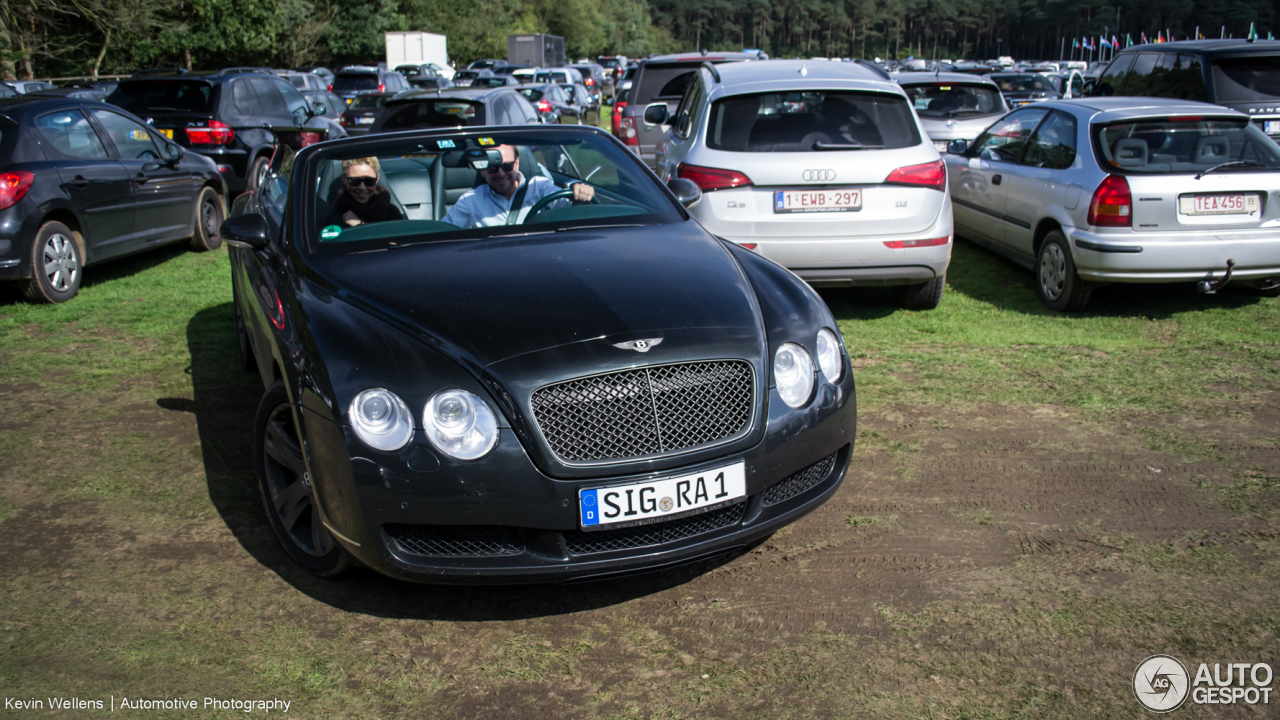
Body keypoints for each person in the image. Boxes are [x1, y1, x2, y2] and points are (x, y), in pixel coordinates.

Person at [442, 144, 594, 228]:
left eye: (507, 166)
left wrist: (579, 193)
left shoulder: (540, 187)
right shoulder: (470, 202)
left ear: (516, 163)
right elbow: (443, 233)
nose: (501, 174)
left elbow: (570, 205)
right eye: (493, 168)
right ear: (482, 171)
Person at [335, 157, 403, 226]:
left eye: (369, 181)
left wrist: (360, 224)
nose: (362, 187)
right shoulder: (334, 212)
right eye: (354, 181)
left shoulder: (391, 212)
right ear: (344, 179)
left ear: (377, 179)